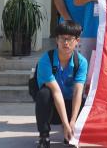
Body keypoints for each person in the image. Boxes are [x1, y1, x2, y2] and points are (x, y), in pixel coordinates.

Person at [34, 20, 88, 148]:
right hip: (52, 107)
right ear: (56, 40)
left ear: (77, 41)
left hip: (69, 105)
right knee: (43, 94)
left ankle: (72, 134)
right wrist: (65, 123)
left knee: (83, 99)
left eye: (70, 39)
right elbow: (56, 92)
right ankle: (44, 136)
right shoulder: (46, 60)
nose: (66, 43)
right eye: (62, 38)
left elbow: (78, 91)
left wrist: (72, 122)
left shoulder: (81, 62)